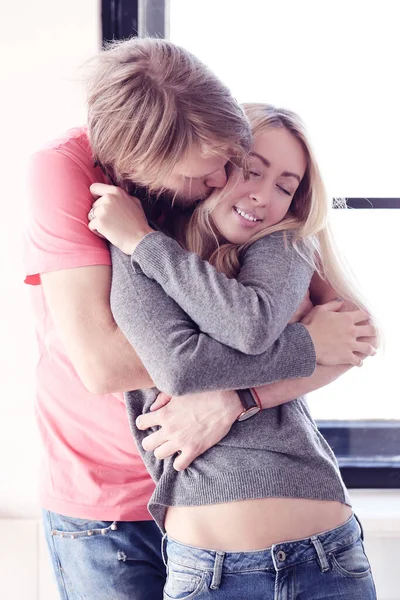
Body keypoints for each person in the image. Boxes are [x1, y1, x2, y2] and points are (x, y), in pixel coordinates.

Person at [24, 37, 371, 599]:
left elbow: (352, 335)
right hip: (108, 499)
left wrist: (238, 399)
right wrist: (299, 343)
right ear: (145, 163)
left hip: (305, 536)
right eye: (218, 171)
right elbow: (114, 368)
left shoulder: (264, 238)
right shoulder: (106, 210)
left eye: (227, 165)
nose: (220, 181)